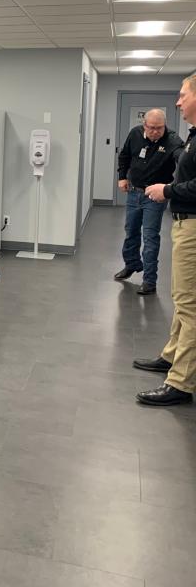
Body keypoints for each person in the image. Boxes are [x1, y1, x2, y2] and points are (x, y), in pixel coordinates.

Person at [135, 76, 196, 406]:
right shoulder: (192, 136)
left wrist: (166, 190)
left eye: (183, 95)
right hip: (185, 223)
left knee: (190, 305)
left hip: (193, 226)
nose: (178, 102)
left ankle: (181, 382)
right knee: (182, 299)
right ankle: (172, 357)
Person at [114, 109, 183, 295]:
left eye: (159, 128)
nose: (155, 132)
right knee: (130, 232)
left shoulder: (173, 140)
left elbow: (182, 161)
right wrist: (122, 177)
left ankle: (149, 281)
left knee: (150, 237)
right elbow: (124, 155)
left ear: (164, 125)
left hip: (154, 196)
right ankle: (132, 264)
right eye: (151, 128)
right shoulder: (135, 133)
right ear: (144, 125)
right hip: (134, 192)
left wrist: (172, 187)